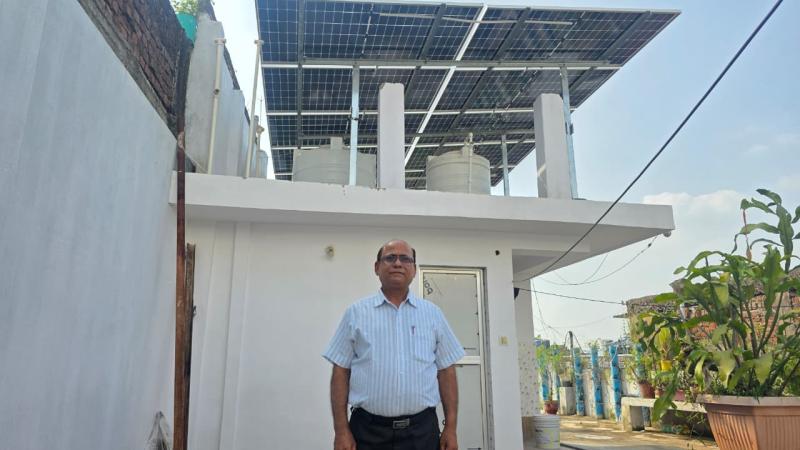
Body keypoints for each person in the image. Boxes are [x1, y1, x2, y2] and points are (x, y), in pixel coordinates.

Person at [323, 240, 465, 450]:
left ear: (414, 270)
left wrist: (451, 428)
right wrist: (341, 430)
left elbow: (446, 371)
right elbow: (340, 371)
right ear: (376, 267)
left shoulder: (433, 315)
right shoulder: (356, 313)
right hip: (367, 431)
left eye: (405, 259)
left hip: (422, 432)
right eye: (390, 258)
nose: (398, 263)